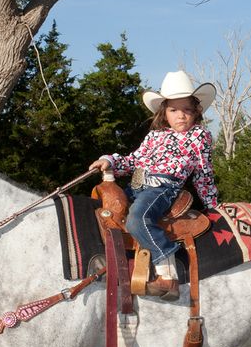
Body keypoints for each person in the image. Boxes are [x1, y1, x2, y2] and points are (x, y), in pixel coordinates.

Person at [90, 70, 219, 299]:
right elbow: (133, 161)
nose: (181, 116)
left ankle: (167, 274)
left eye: (188, 109)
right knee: (104, 212)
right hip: (135, 186)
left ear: (196, 112)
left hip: (163, 189)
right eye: (174, 110)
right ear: (164, 113)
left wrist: (212, 205)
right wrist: (109, 160)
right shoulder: (154, 137)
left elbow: (203, 173)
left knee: (138, 219)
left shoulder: (199, 136)